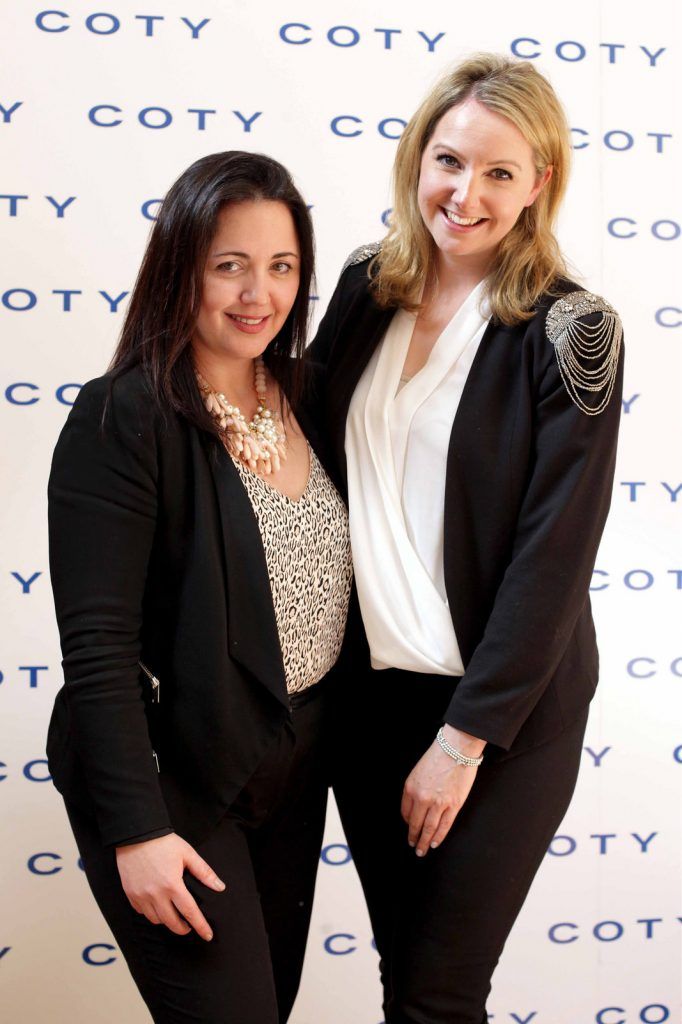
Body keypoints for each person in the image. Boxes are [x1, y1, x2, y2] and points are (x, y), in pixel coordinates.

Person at [310, 54, 624, 1023]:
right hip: (366, 698)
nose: (465, 192)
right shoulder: (369, 283)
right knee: (405, 977)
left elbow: (554, 555)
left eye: (498, 171)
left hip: (499, 716)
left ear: (539, 183)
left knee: (440, 990)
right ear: (416, 158)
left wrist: (464, 739)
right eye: (449, 160)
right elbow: (304, 460)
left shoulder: (573, 329)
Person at [46, 151, 352, 1024]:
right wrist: (137, 833)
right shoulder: (124, 416)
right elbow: (96, 651)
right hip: (171, 780)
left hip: (289, 772)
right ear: (182, 266)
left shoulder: (308, 399)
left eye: (283, 267)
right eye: (231, 265)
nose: (260, 293)